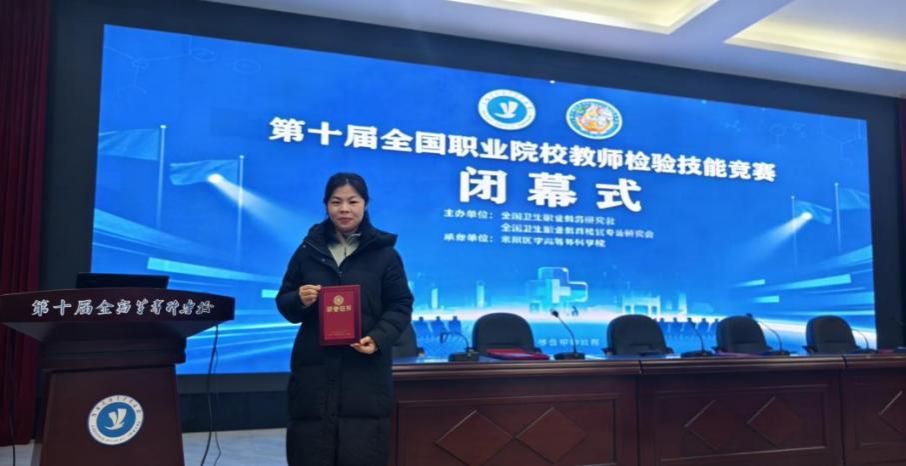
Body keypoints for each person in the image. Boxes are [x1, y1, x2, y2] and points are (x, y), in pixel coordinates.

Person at [276, 173, 413, 466]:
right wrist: (299, 299)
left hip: (364, 370)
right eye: (336, 202)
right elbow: (284, 302)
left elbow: (400, 304)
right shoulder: (307, 251)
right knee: (310, 449)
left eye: (353, 201)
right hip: (314, 368)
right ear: (326, 205)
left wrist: (378, 337)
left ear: (365, 204)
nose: (344, 209)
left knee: (361, 449)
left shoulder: (385, 254)